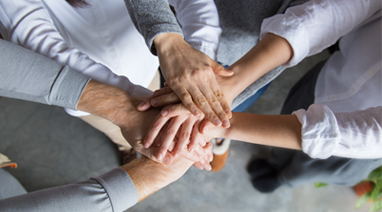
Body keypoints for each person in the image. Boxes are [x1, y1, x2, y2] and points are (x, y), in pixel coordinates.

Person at [141, 0, 382, 193]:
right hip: (328, 78)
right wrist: (233, 82)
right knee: (288, 114)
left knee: (317, 168)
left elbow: (366, 136)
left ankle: (285, 180)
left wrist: (217, 125)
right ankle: (270, 160)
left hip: (358, 148)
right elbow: (339, 11)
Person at [0, 39, 213, 211]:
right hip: (78, 63)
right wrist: (148, 177)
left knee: (12, 191)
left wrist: (122, 107)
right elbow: (30, 31)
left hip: (135, 62)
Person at [0, 0, 223, 161]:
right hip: (81, 85)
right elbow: (37, 41)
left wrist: (197, 68)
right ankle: (125, 147)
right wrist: (128, 106)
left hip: (144, 60)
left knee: (158, 117)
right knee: (114, 127)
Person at [125, 0, 310, 171]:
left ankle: (215, 130)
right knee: (177, 91)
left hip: (256, 55)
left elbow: (307, 26)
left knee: (230, 105)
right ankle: (208, 128)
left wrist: (217, 104)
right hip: (187, 33)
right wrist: (172, 43)